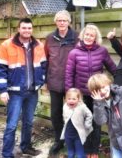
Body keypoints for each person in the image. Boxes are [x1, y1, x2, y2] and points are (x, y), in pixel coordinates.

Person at [0, 18, 46, 158]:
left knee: (28, 122)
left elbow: (43, 66)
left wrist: (42, 81)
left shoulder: (38, 45)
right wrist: (2, 90)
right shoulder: (7, 45)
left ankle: (25, 147)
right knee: (11, 125)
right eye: (24, 28)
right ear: (18, 29)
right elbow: (0, 69)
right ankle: (6, 154)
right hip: (15, 92)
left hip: (32, 92)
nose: (27, 30)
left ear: (32, 29)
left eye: (29, 28)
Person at [65, 23, 117, 158]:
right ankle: (85, 150)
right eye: (87, 34)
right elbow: (69, 74)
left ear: (95, 38)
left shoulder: (102, 51)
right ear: (83, 35)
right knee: (83, 123)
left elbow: (112, 68)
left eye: (92, 35)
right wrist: (70, 93)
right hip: (81, 95)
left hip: (97, 94)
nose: (89, 37)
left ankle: (94, 151)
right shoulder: (74, 53)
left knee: (96, 123)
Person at [44, 10, 79, 155]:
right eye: (59, 20)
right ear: (55, 22)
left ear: (69, 22)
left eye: (64, 20)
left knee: (75, 113)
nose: (62, 23)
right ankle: (59, 140)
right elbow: (45, 60)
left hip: (72, 82)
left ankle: (75, 140)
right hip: (54, 81)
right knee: (55, 114)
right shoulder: (49, 38)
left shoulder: (77, 37)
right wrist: (46, 80)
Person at [60, 88, 93, 158]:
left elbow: (89, 115)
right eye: (69, 99)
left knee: (79, 154)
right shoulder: (65, 106)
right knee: (70, 152)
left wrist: (87, 124)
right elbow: (64, 116)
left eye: (74, 99)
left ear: (78, 99)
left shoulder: (82, 107)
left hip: (78, 136)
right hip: (68, 135)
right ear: (66, 99)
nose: (71, 101)